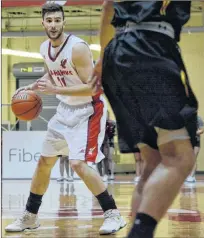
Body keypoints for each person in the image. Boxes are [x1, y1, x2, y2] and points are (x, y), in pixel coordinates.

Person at [5, 3, 126, 235]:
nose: (53, 25)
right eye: (49, 21)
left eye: (57, 20)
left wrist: (54, 90)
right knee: (44, 162)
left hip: (88, 112)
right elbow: (53, 72)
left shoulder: (77, 48)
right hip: (64, 111)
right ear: (43, 23)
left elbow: (94, 89)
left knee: (78, 164)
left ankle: (114, 214)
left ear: (63, 22)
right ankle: (30, 217)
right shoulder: (44, 48)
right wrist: (31, 87)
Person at [91, 1, 198, 238]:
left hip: (116, 54)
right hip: (150, 48)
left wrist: (101, 59)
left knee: (154, 160)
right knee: (181, 157)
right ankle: (139, 234)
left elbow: (108, 5)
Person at [185, 116, 204, 183]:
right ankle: (188, 176)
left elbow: (202, 130)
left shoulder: (198, 118)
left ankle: (192, 176)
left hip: (196, 141)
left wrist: (193, 133)